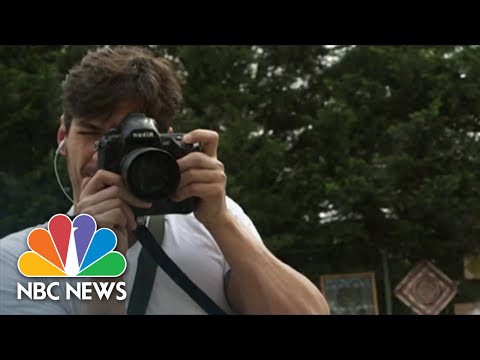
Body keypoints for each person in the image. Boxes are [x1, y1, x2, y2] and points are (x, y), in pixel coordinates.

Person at [0, 46, 330, 315]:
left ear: (165, 140)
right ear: (63, 136)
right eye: (92, 133)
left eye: (124, 139)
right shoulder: (20, 259)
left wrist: (221, 222)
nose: (101, 155)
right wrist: (99, 260)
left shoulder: (211, 223)